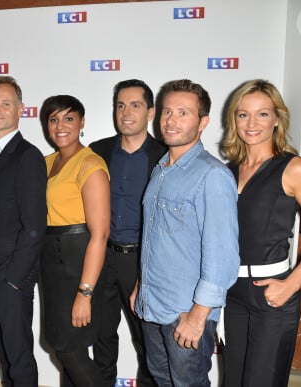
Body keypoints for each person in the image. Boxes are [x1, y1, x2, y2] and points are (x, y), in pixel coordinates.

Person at [221, 79, 301, 386]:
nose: (251, 123)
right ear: (234, 118)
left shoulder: (294, 168)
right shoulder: (227, 171)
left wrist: (290, 285)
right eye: (243, 114)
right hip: (232, 293)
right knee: (233, 380)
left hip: (272, 295)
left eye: (262, 114)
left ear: (276, 118)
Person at [131, 79, 240, 386]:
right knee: (162, 380)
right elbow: (156, 237)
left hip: (186, 312)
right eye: (167, 111)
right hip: (153, 305)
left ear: (203, 122)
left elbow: (222, 257)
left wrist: (198, 316)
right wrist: (142, 284)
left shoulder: (212, 175)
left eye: (183, 112)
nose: (171, 120)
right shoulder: (160, 169)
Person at [0, 76, 47, 386]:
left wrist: (14, 278)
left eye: (5, 104)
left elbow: (34, 224)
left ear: (20, 110)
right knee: (3, 350)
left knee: (18, 355)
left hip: (9, 276)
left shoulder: (27, 156)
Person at [90, 79, 166, 386]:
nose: (126, 112)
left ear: (150, 112)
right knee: (101, 338)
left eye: (135, 105)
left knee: (147, 341)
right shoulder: (98, 151)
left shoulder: (165, 155)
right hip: (101, 256)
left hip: (142, 261)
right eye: (120, 105)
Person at [40, 94, 110, 386]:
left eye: (68, 118)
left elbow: (100, 234)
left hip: (78, 262)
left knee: (70, 349)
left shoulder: (90, 164)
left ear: (82, 122)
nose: (60, 126)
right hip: (52, 262)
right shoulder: (46, 162)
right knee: (65, 347)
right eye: (53, 119)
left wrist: (85, 292)